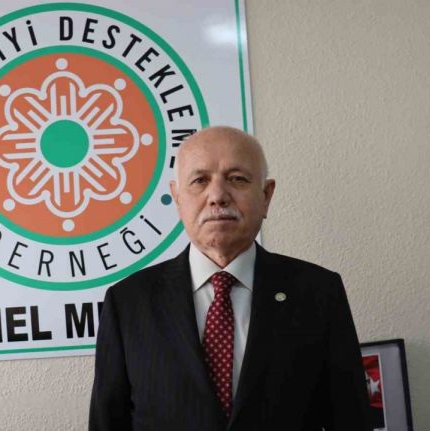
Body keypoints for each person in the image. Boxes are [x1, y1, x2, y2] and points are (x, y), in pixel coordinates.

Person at [89, 126, 370, 430]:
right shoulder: (128, 302)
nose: (218, 196)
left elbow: (351, 419)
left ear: (266, 196)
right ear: (177, 198)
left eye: (237, 179)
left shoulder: (319, 292)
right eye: (200, 180)